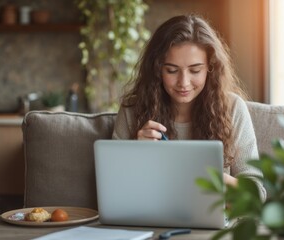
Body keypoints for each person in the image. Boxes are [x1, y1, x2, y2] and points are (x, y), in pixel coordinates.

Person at [112, 14, 267, 201]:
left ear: (211, 68)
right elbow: (115, 192)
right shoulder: (132, 111)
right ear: (156, 69)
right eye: (171, 70)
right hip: (149, 224)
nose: (183, 82)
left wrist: (217, 180)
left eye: (195, 70)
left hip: (212, 226)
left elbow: (257, 193)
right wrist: (138, 156)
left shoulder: (233, 108)